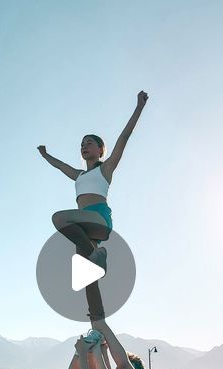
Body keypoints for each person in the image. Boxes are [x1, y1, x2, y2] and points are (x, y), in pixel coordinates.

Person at [37, 91, 149, 271]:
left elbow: (124, 136)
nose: (84, 147)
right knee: (88, 280)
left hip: (98, 219)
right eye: (81, 144)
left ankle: (95, 255)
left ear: (100, 149)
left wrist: (139, 107)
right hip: (83, 227)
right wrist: (45, 155)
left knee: (59, 218)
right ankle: (96, 258)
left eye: (89, 143)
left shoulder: (105, 168)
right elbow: (60, 165)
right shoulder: (78, 174)